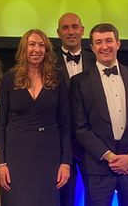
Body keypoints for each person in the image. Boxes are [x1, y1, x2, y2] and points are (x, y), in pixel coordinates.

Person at [70, 23, 128, 206]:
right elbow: (80, 127)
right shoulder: (79, 82)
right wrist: (109, 157)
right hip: (97, 167)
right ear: (92, 47)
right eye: (98, 42)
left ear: (118, 43)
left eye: (109, 40)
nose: (104, 46)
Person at [0, 29, 71, 206]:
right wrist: (0, 163)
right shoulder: (9, 79)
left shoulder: (57, 78)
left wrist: (66, 162)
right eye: (32, 44)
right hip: (17, 154)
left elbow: (65, 123)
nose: (36, 49)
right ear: (24, 48)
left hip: (49, 152)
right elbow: (0, 123)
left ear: (47, 50)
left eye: (41, 45)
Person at [54, 12, 96, 206]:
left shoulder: (97, 60)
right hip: (60, 141)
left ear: (82, 31)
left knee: (96, 195)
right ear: (58, 33)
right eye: (65, 28)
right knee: (64, 197)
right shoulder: (48, 63)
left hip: (91, 140)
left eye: (74, 27)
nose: (70, 31)